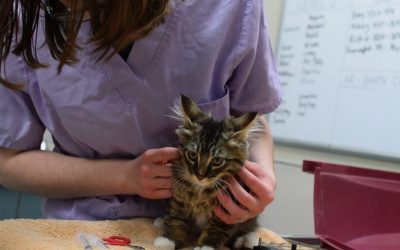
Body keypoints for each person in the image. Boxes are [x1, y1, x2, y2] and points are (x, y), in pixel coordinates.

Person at [0, 0, 282, 223]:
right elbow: (7, 161)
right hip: (83, 227)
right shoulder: (23, 15)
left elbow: (248, 116)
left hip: (201, 224)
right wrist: (125, 177)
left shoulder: (226, 9)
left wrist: (261, 179)